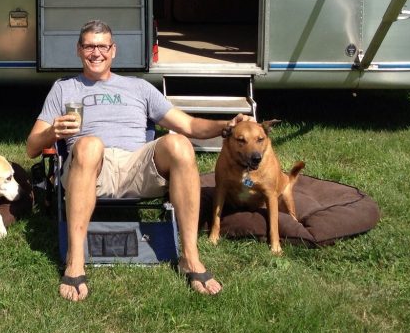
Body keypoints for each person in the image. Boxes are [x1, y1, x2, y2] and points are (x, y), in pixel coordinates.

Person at [26, 19, 246, 301]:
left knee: (179, 143)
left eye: (102, 46)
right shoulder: (64, 88)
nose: (96, 53)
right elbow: (31, 147)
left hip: (137, 166)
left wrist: (226, 126)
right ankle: (75, 261)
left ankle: (190, 258)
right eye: (89, 46)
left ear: (113, 50)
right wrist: (52, 132)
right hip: (91, 168)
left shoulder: (138, 87)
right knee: (90, 144)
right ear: (78, 50)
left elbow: (189, 125)